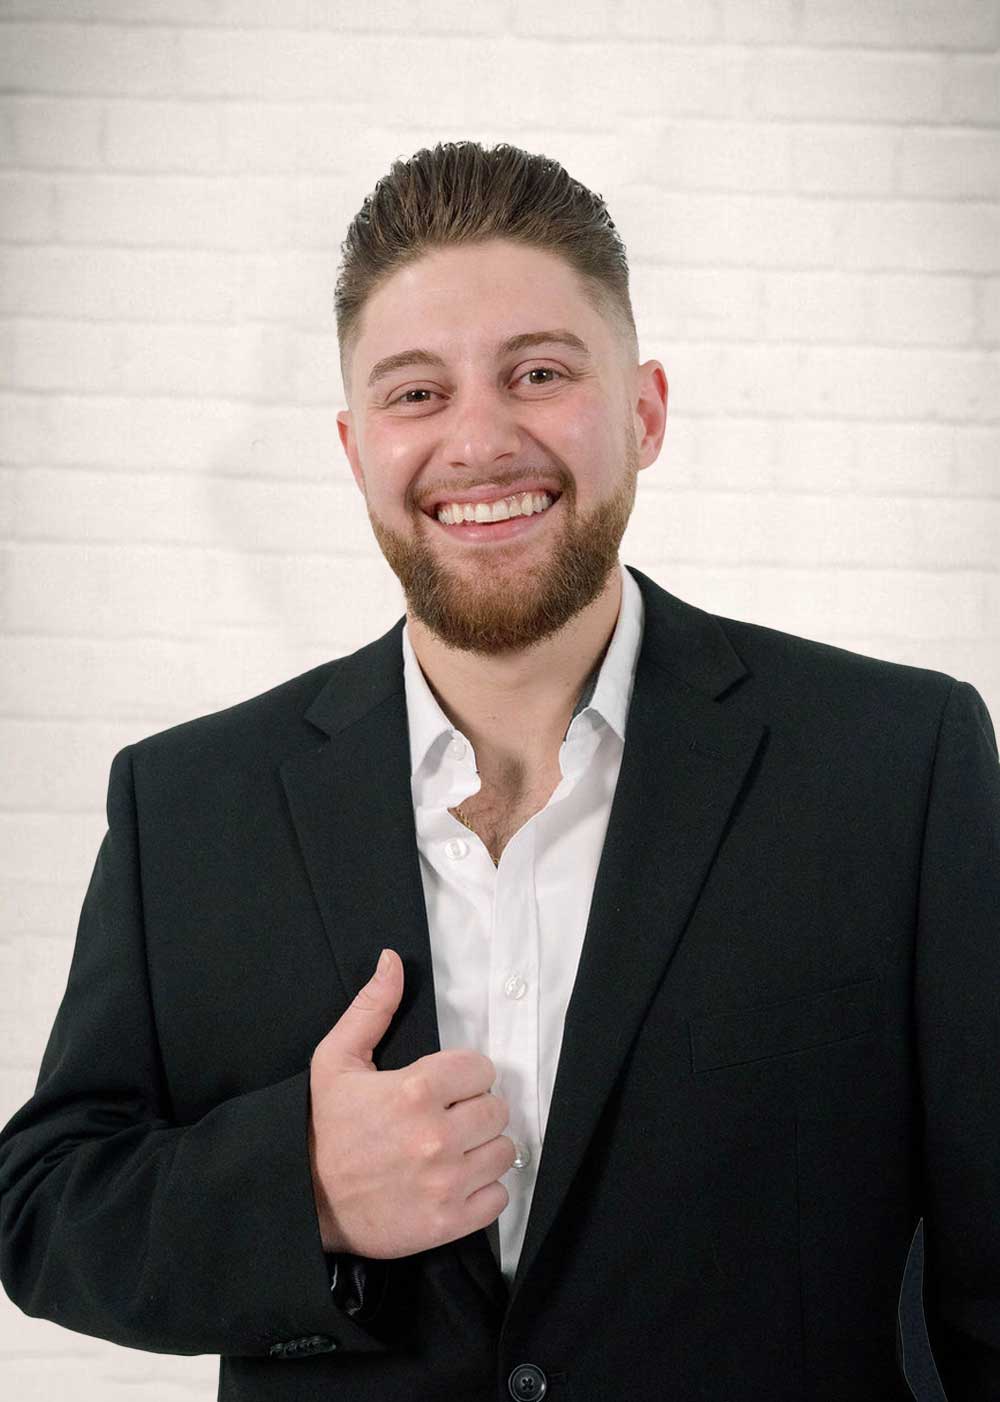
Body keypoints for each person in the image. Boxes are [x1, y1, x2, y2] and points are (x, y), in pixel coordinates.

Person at [0, 140, 997, 1402]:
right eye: (417, 395)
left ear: (643, 411)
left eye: (536, 372)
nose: (479, 440)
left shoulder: (897, 765)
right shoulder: (188, 803)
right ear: (356, 448)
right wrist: (299, 1187)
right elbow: (45, 1207)